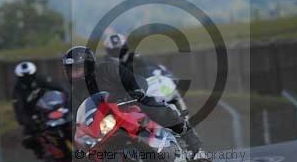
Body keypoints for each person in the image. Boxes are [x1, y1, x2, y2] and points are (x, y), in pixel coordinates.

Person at [62, 46, 203, 154]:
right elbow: (77, 119)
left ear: (88, 65)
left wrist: (136, 91)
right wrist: (78, 131)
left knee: (151, 106)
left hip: (128, 103)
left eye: (77, 69)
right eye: (70, 70)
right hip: (107, 122)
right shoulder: (75, 94)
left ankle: (190, 138)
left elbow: (130, 79)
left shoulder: (106, 69)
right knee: (96, 149)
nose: (73, 74)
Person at [12, 61, 69, 157]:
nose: (28, 79)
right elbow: (19, 110)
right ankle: (42, 152)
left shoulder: (41, 79)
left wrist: (67, 97)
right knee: (28, 137)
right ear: (20, 78)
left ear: (34, 74)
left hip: (49, 107)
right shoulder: (18, 91)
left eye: (30, 76)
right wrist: (27, 120)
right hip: (33, 113)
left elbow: (58, 87)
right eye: (24, 78)